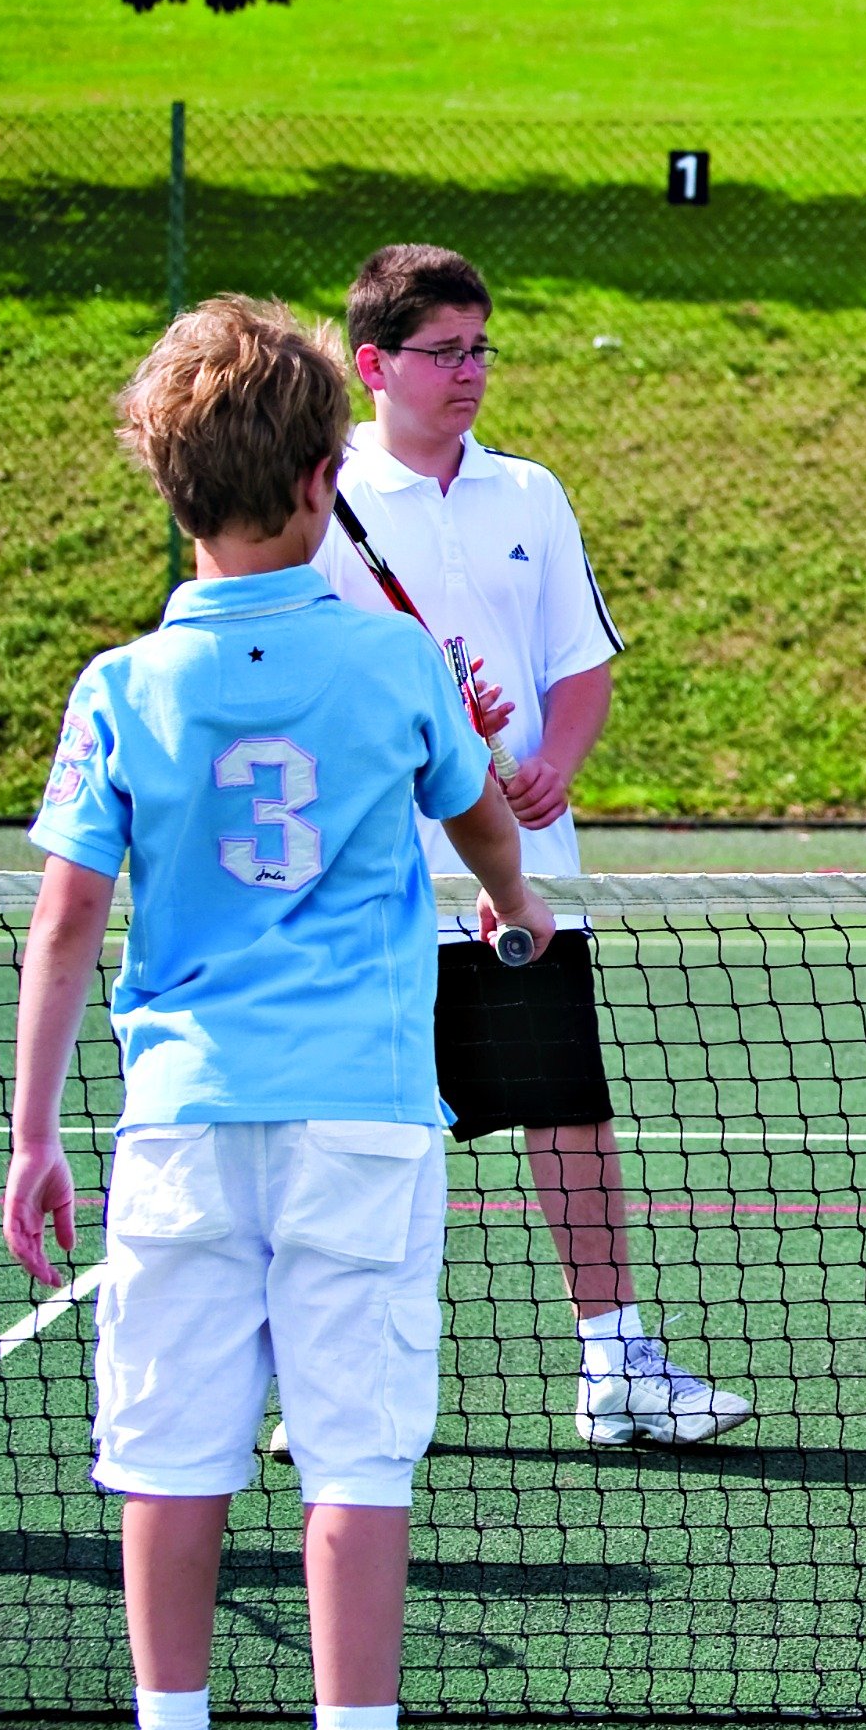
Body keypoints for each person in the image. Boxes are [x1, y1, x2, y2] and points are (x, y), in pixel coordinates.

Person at [4, 296, 551, 1730]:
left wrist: (35, 1133)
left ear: (172, 489)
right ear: (325, 481)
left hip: (177, 1122)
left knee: (171, 1458)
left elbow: (63, 929)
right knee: (354, 1460)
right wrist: (519, 917)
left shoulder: (119, 688)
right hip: (359, 1122)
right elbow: (486, 823)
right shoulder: (390, 667)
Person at [311, 245, 750, 1449]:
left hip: (524, 874)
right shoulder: (316, 495)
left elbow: (581, 664)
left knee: (567, 1110)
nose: (469, 373)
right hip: (372, 871)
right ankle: (333, 1382)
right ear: (372, 366)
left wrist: (555, 760)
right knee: (368, 1120)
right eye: (443, 352)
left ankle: (616, 1369)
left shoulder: (529, 494)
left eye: (480, 348)